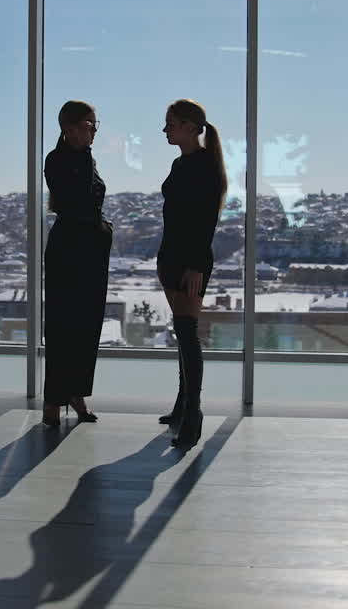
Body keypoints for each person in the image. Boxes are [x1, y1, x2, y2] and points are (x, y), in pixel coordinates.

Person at [156, 99, 227, 448]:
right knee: (181, 331)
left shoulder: (206, 166)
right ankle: (182, 405)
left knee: (187, 332)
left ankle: (193, 415)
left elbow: (206, 222)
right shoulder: (179, 163)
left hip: (190, 261)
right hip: (170, 257)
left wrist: (197, 264)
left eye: (170, 123)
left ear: (188, 126)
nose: (165, 129)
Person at [42, 100, 112, 428]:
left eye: (96, 124)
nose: (94, 130)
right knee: (61, 325)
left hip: (91, 249)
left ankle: (76, 393)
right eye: (89, 124)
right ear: (69, 128)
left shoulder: (87, 158)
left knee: (87, 323)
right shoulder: (57, 160)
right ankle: (53, 399)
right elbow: (78, 199)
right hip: (68, 248)